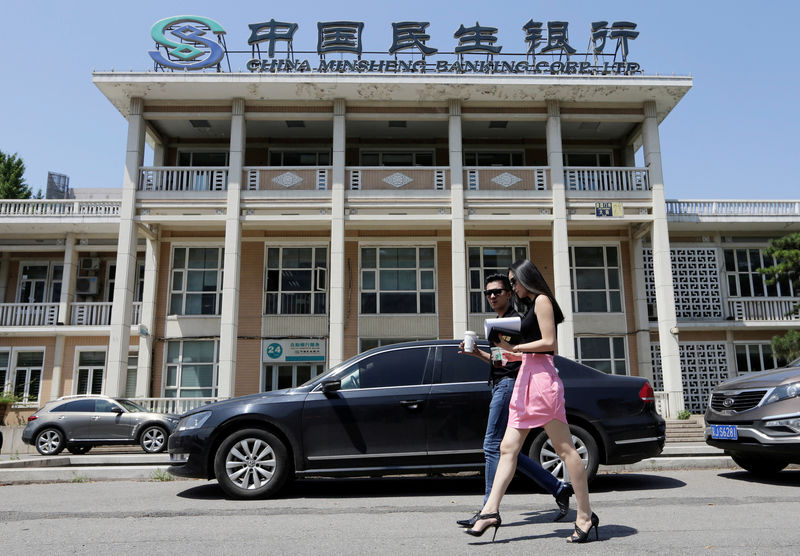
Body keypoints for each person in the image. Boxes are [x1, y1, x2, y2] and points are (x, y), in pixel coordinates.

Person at [464, 260, 599, 543]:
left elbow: (549, 343)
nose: (512, 287)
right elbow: (523, 354)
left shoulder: (542, 301)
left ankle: (585, 515)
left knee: (565, 450)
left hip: (541, 381)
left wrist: (515, 347)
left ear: (526, 278)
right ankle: (490, 511)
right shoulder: (530, 308)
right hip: (527, 378)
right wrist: (496, 351)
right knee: (507, 447)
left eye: (514, 282)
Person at [457, 273, 573, 528]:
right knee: (506, 450)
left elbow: (531, 354)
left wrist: (513, 353)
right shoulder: (497, 323)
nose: (492, 296)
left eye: (497, 291)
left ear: (509, 293)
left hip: (511, 385)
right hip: (500, 382)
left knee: (491, 445)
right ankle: (558, 487)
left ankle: (488, 510)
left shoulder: (517, 322)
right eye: (488, 293)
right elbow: (501, 360)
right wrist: (477, 353)